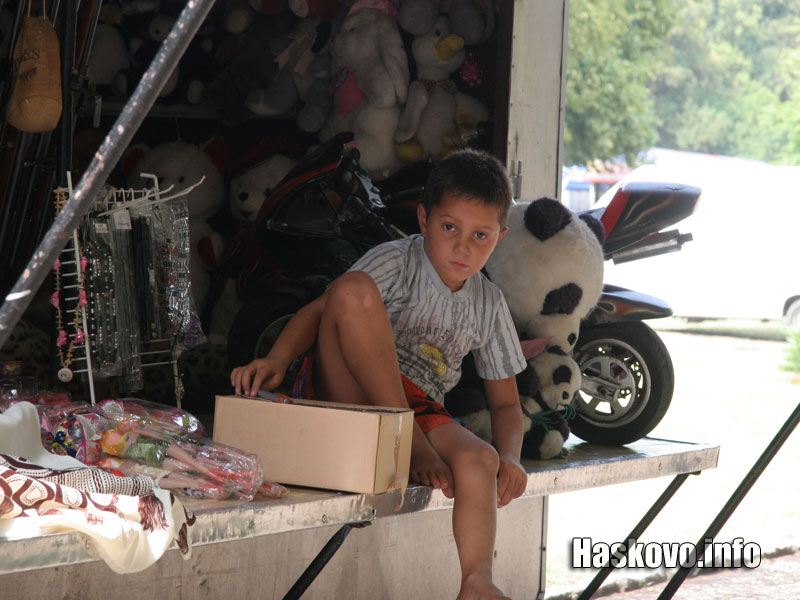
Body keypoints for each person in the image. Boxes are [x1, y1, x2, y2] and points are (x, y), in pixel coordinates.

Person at [231, 148, 528, 600]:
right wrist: (276, 359)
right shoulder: (397, 260)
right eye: (450, 228)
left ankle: (475, 580)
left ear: (500, 238)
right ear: (424, 219)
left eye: (480, 235)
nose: (463, 247)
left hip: (419, 409)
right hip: (344, 390)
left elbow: (506, 403)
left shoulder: (489, 302)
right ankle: (405, 439)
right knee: (351, 290)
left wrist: (511, 457)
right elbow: (319, 310)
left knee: (480, 461)